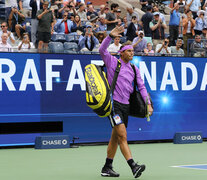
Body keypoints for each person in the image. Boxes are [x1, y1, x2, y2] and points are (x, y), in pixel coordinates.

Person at [99, 26, 153, 178]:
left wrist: (148, 103)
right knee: (122, 136)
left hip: (126, 106)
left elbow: (142, 87)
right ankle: (133, 166)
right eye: (129, 51)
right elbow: (102, 50)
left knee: (115, 137)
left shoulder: (135, 69)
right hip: (114, 105)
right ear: (122, 52)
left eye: (133, 51)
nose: (132, 53)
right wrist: (110, 36)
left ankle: (107, 167)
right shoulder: (112, 62)